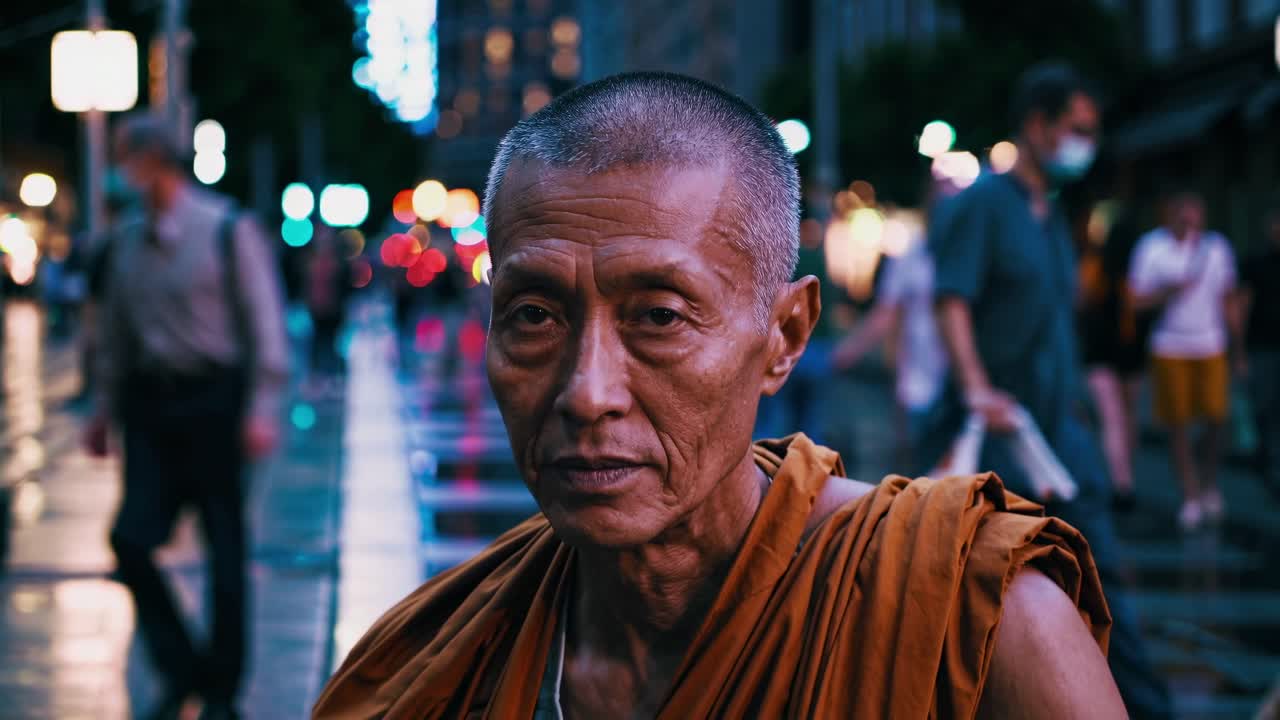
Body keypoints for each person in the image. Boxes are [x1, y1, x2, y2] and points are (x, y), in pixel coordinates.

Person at [313, 72, 1124, 719]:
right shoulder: (430, 663)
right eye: (533, 315)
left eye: (659, 316)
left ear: (787, 336)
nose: (587, 392)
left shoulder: (980, 626)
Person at [926, 63, 1172, 718]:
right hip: (1002, 438)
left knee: (1094, 577)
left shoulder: (1051, 216)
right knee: (993, 589)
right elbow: (951, 301)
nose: (1084, 142)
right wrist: (977, 387)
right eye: (1075, 128)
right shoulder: (985, 205)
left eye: (1091, 130)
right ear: (1036, 125)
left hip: (1059, 434)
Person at [85, 113, 289, 720]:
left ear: (156, 163)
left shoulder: (227, 229)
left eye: (127, 159)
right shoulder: (124, 243)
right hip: (151, 407)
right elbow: (116, 339)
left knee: (226, 547)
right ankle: (181, 667)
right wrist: (103, 409)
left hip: (215, 403)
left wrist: (262, 407)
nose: (120, 173)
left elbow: (265, 324)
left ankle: (221, 689)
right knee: (130, 539)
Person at [1129, 189, 1243, 530]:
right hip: (1170, 345)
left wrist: (1239, 350)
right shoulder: (1152, 248)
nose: (1188, 218)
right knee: (1177, 422)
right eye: (1182, 211)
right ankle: (1190, 494)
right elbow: (1135, 301)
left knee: (1217, 417)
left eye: (1194, 211)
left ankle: (1209, 483)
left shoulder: (1216, 248)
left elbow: (1228, 298)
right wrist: (1168, 290)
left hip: (1211, 344)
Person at [1078, 170, 1149, 511]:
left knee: (1111, 417)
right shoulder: (1136, 273)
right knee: (1127, 415)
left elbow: (1080, 301)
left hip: (1100, 348)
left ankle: (1120, 479)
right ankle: (1127, 477)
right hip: (1129, 347)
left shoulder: (1093, 268)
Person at [1239, 205, 1280, 499]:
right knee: (1265, 408)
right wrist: (1238, 351)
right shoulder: (1256, 261)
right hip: (1263, 345)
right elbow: (1242, 305)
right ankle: (1270, 468)